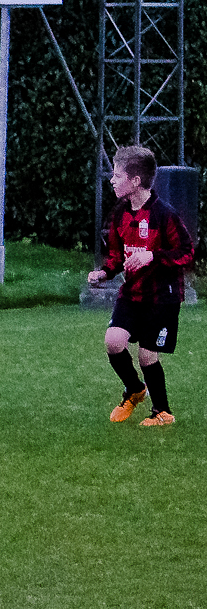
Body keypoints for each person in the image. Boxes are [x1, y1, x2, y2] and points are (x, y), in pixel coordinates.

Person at [88, 145, 195, 427]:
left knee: (147, 355)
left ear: (135, 181)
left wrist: (153, 256)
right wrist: (104, 273)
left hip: (162, 297)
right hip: (132, 293)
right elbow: (116, 255)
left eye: (117, 175)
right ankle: (135, 390)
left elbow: (187, 252)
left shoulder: (164, 214)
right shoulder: (120, 214)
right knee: (113, 341)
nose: (112, 180)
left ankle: (162, 412)